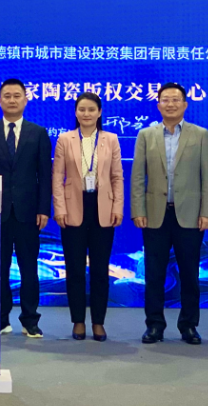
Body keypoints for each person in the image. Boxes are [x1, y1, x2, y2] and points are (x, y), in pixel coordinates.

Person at [130, 83, 208, 345]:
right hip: (155, 214)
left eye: (176, 100)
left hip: (189, 215)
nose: (170, 104)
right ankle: (154, 325)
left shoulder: (200, 135)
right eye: (165, 100)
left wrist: (207, 212)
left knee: (189, 273)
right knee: (154, 273)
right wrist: (138, 209)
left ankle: (189, 326)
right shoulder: (146, 135)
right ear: (158, 105)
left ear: (185, 105)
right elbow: (138, 176)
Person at [0, 78, 52, 338]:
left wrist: (43, 209)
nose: (12, 100)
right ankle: (0, 318)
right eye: (7, 96)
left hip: (28, 213)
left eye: (17, 95)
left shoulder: (38, 133)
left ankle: (30, 319)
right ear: (0, 101)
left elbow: (45, 175)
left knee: (29, 269)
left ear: (26, 100)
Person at [52, 92, 123, 341]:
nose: (86, 114)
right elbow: (57, 177)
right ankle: (78, 321)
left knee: (101, 270)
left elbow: (117, 176)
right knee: (74, 268)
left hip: (103, 208)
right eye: (81, 109)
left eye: (91, 109)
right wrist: (59, 208)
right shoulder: (65, 139)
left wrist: (117, 207)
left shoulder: (111, 139)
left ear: (99, 112)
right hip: (73, 207)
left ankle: (99, 322)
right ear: (76, 112)